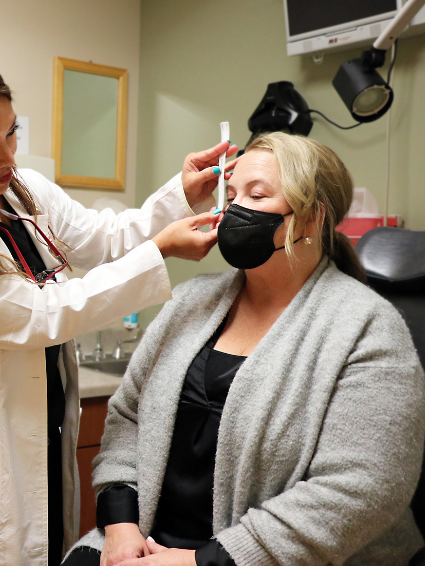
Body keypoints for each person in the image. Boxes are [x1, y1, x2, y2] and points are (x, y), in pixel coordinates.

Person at [0, 46, 238, 566]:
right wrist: (162, 249)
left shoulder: (22, 192)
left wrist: (180, 197)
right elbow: (41, 315)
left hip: (43, 425)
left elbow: (102, 237)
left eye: (12, 133)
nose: (8, 157)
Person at [63, 132, 425, 566]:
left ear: (310, 220)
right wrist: (121, 528)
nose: (234, 209)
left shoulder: (366, 327)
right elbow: (128, 418)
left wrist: (200, 562)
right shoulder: (189, 302)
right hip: (145, 543)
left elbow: (361, 489)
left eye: (257, 195)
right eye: (230, 194)